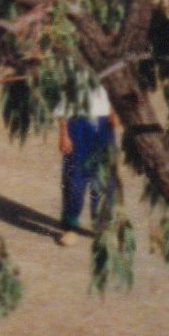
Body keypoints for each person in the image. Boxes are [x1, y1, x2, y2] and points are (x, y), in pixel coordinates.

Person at [57, 82, 116, 238]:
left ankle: (101, 224)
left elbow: (116, 97)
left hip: (103, 125)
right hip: (78, 124)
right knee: (75, 177)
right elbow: (62, 107)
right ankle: (70, 221)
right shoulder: (75, 77)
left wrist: (114, 114)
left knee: (104, 178)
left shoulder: (109, 76)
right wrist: (64, 134)